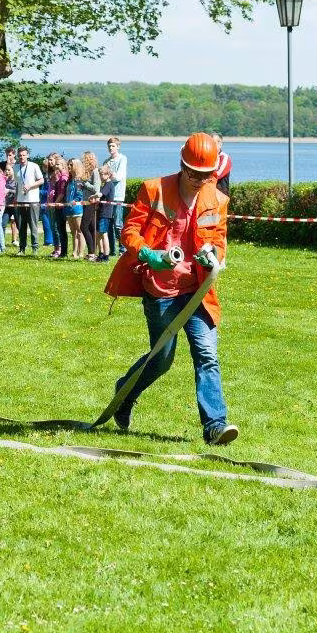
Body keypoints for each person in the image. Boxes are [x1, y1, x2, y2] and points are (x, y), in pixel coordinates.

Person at [104, 132, 237, 445]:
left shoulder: (218, 200)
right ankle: (125, 391)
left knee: (207, 354)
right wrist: (150, 255)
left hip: (199, 292)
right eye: (194, 173)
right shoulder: (154, 190)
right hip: (161, 291)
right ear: (182, 164)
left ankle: (215, 426)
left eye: (206, 175)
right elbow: (130, 231)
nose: (199, 180)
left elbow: (219, 239)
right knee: (161, 359)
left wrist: (214, 254)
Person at [13, 146, 44, 255]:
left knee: (33, 225)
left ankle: (35, 248)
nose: (22, 157)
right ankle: (22, 249)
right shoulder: (15, 167)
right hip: (21, 200)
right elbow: (17, 184)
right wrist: (15, 198)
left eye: (24, 155)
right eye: (20, 155)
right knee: (21, 226)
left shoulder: (34, 166)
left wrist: (30, 185)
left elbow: (41, 180)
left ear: (28, 155)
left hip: (33, 200)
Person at [103, 137, 128, 256]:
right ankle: (112, 250)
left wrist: (109, 174)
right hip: (108, 197)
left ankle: (123, 249)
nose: (111, 148)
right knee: (108, 224)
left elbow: (118, 177)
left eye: (113, 146)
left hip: (118, 196)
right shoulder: (106, 162)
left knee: (118, 224)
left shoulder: (122, 159)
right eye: (109, 146)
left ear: (118, 146)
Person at [79, 151, 101, 260]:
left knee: (83, 226)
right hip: (86, 201)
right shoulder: (87, 172)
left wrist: (85, 183)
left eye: (84, 160)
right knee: (91, 227)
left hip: (91, 202)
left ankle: (92, 252)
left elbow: (96, 189)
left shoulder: (95, 171)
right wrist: (82, 186)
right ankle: (92, 253)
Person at [64, 158, 86, 258]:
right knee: (73, 232)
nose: (69, 166)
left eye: (71, 165)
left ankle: (81, 252)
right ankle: (74, 251)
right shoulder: (69, 180)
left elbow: (80, 194)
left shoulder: (79, 180)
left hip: (77, 208)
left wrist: (74, 201)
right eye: (68, 164)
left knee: (79, 230)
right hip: (69, 208)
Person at [95, 165, 115, 262]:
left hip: (105, 213)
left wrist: (94, 196)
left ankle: (106, 255)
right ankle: (101, 253)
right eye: (100, 174)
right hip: (101, 211)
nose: (100, 176)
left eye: (102, 174)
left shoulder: (109, 184)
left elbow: (101, 194)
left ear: (108, 175)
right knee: (98, 234)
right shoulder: (105, 184)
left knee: (103, 234)